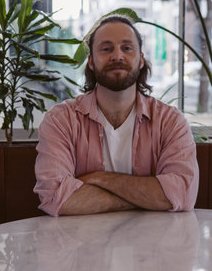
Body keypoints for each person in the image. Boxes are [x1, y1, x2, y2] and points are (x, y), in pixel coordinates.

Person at [33, 14, 199, 216]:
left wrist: (99, 178)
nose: (117, 56)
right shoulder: (61, 120)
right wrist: (146, 198)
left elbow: (183, 193)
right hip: (80, 243)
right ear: (91, 62)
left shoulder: (170, 121)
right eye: (106, 49)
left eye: (127, 48)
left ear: (140, 60)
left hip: (154, 243)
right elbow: (56, 197)